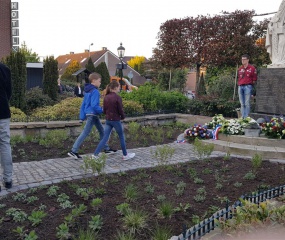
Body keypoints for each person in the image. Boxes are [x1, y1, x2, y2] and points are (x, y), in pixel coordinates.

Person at [68, 72, 116, 160]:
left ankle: (106, 148)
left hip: (90, 114)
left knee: (102, 131)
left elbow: (84, 104)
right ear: (94, 81)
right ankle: (73, 150)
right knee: (86, 132)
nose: (100, 83)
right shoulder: (95, 91)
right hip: (93, 114)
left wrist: (82, 117)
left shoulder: (87, 90)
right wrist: (102, 110)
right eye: (99, 81)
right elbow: (94, 105)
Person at [93, 80, 135, 160]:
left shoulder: (106, 97)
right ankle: (125, 155)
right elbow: (120, 110)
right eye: (119, 87)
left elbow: (104, 110)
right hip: (116, 120)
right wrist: (122, 117)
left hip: (108, 120)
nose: (119, 88)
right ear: (115, 88)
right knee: (121, 136)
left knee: (105, 138)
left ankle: (95, 155)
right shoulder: (117, 98)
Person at [0, 63, 13, 191]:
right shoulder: (5, 69)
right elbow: (9, 92)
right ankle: (8, 180)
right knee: (5, 144)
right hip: (3, 111)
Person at [266, 0, 285, 67]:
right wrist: (270, 27)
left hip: (283, 33)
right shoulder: (276, 16)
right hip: (276, 34)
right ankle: (276, 61)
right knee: (277, 46)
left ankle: (282, 60)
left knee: (282, 44)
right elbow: (270, 23)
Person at [237, 54, 257, 119]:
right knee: (242, 103)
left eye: (244, 59)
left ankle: (246, 117)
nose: (243, 61)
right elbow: (239, 77)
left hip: (248, 86)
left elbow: (254, 79)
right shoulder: (240, 68)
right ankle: (242, 117)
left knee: (247, 103)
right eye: (242, 59)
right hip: (240, 86)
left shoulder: (252, 68)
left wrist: (251, 87)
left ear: (248, 60)